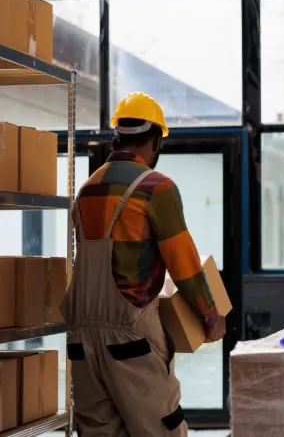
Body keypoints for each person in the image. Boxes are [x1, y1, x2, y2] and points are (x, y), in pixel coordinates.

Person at [60, 92, 226, 436]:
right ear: (154, 140)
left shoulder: (87, 190)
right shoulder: (156, 187)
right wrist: (210, 314)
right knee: (161, 429)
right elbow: (183, 263)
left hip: (79, 337)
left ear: (117, 137)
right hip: (130, 339)